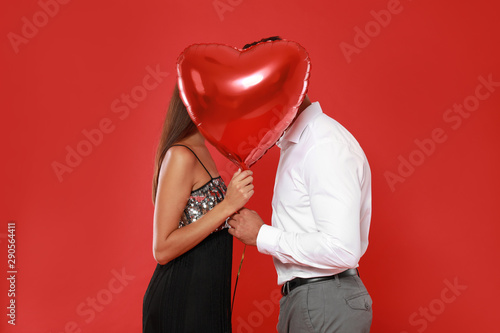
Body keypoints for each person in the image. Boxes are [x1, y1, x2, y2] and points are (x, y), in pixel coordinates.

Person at [228, 37, 373, 332]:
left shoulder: (322, 144)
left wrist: (262, 235)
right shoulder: (299, 144)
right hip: (311, 299)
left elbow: (342, 249)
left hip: (324, 300)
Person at [142, 83, 254, 333]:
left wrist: (237, 216)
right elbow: (162, 248)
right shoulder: (180, 155)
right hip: (181, 300)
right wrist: (227, 206)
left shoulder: (202, 148)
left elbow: (204, 219)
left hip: (207, 298)